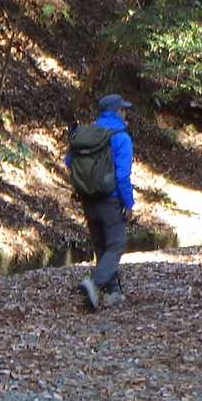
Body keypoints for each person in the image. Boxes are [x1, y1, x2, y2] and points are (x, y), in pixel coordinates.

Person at [65, 93, 135, 311]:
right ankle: (94, 284)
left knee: (101, 245)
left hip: (87, 198)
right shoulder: (121, 137)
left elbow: (69, 161)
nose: (126, 113)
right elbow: (122, 176)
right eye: (124, 109)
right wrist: (129, 203)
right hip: (110, 199)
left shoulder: (86, 135)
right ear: (117, 111)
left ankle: (112, 292)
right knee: (117, 243)